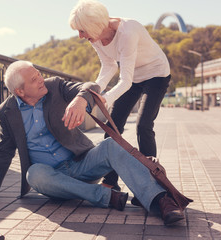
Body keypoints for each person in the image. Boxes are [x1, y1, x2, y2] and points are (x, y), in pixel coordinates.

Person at [0, 60, 185, 225]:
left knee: (110, 146)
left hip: (83, 163)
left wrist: (80, 100)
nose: (40, 79)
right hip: (52, 179)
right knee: (34, 174)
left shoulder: (54, 86)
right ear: (19, 91)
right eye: (33, 80)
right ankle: (108, 197)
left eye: (38, 74)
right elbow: (4, 150)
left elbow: (91, 86)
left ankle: (160, 201)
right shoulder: (7, 111)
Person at [69, 0, 171, 192]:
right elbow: (109, 66)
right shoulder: (96, 38)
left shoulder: (128, 31)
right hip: (133, 77)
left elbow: (125, 80)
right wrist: (95, 91)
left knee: (143, 125)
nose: (80, 36)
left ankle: (153, 184)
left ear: (94, 25)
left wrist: (106, 98)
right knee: (112, 127)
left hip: (156, 74)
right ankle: (110, 181)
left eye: (82, 31)